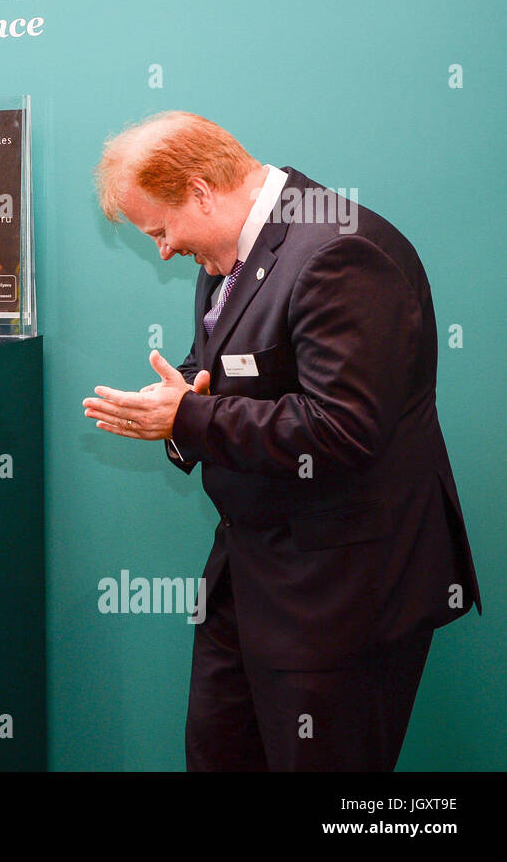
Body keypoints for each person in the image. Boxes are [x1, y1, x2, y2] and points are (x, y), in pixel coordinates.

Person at [84, 111, 479, 771]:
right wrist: (173, 402)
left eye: (160, 229)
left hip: (339, 595)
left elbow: (341, 427)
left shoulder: (339, 250)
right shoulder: (232, 249)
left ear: (200, 189)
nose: (162, 250)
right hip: (250, 577)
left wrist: (184, 420)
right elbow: (212, 367)